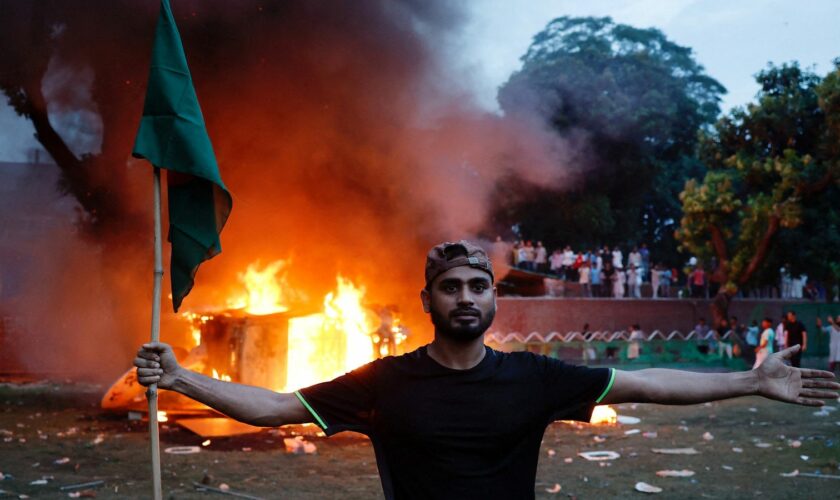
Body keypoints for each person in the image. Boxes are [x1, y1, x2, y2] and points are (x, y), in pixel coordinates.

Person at [135, 240, 838, 500]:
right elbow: (274, 408)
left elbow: (648, 382)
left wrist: (750, 379)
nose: (467, 298)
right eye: (452, 287)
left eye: (479, 287)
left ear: (494, 299)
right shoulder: (382, 383)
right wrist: (180, 378)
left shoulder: (533, 378)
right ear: (427, 300)